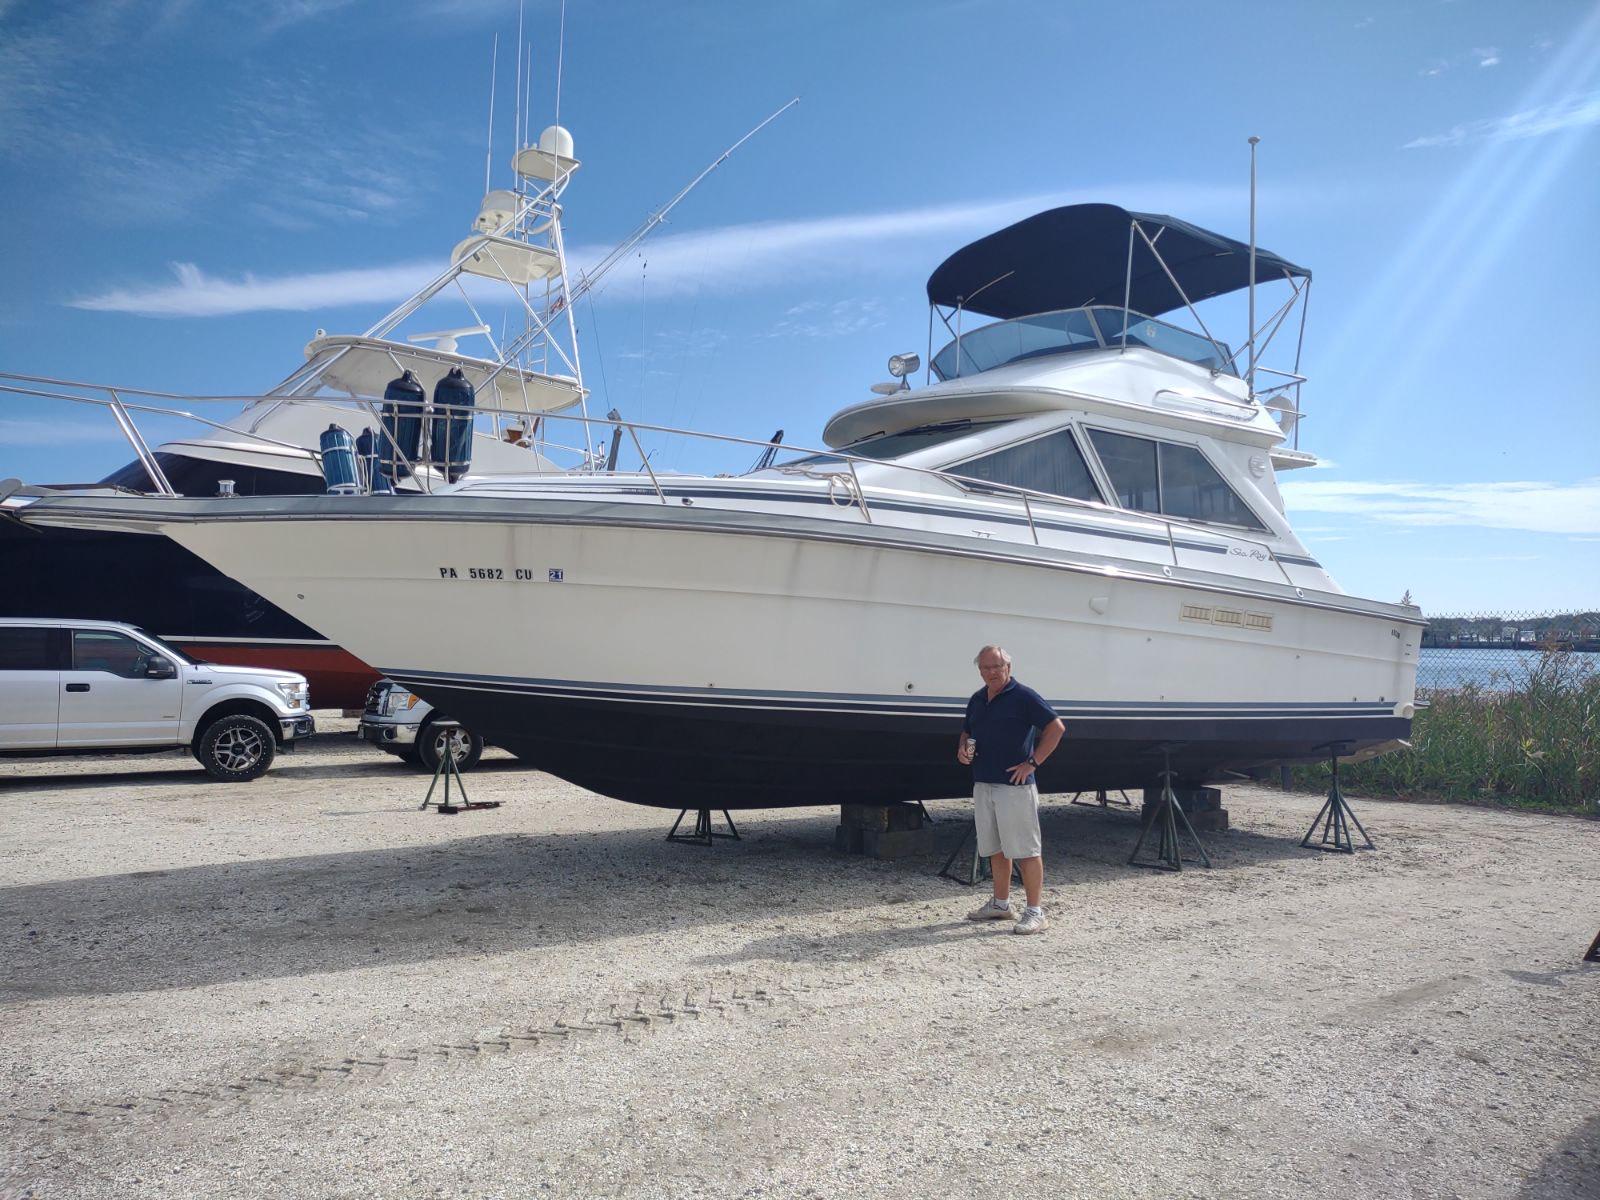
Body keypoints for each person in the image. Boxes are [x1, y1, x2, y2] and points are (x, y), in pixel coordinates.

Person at [957, 645, 1065, 935]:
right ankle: (1001, 904)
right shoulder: (978, 699)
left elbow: (1056, 728)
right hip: (984, 782)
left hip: (1014, 786)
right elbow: (968, 731)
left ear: (1008, 667)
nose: (991, 672)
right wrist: (963, 748)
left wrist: (1033, 762)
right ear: (979, 671)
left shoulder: (1024, 696)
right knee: (996, 848)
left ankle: (1035, 912)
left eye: (997, 667)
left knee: (1026, 850)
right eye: (985, 668)